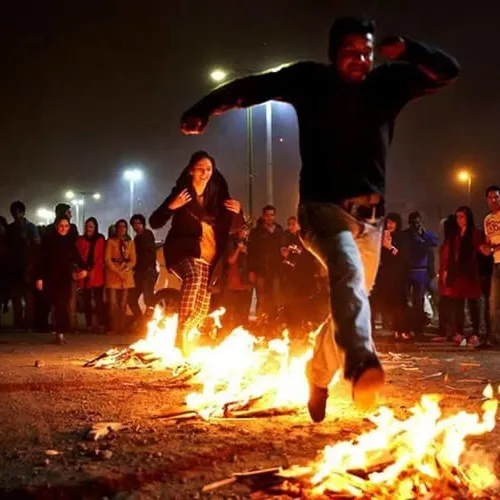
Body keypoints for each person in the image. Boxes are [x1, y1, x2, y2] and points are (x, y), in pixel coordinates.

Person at [180, 16, 459, 419]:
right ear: (332, 54)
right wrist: (204, 108)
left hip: (371, 221)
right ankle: (361, 361)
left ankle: (318, 372)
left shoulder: (388, 84)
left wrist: (412, 51)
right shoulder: (310, 80)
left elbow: (449, 71)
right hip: (321, 211)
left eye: (366, 51)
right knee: (346, 273)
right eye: (350, 52)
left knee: (353, 300)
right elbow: (253, 87)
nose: (360, 60)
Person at [149, 151, 243, 355]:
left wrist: (239, 211)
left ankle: (186, 336)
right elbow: (155, 221)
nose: (205, 173)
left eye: (209, 169)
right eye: (200, 168)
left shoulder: (218, 198)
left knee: (201, 307)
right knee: (192, 277)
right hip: (183, 252)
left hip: (209, 259)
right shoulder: (182, 193)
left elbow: (235, 227)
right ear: (191, 170)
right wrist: (172, 206)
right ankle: (180, 334)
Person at [36, 217, 87, 336]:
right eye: (61, 226)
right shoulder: (48, 240)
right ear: (56, 226)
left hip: (65, 277)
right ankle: (57, 329)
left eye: (66, 226)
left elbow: (76, 256)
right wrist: (39, 278)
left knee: (62, 304)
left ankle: (61, 331)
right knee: (54, 303)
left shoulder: (69, 241)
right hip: (51, 277)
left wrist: (84, 268)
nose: (64, 229)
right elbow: (41, 260)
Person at [440, 207, 482, 346]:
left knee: (473, 303)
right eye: (458, 217)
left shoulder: (474, 233)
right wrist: (446, 271)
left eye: (462, 217)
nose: (460, 220)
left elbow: (479, 251)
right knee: (457, 304)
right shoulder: (455, 234)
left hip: (470, 272)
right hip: (456, 273)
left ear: (468, 218)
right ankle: (459, 332)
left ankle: (476, 332)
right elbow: (450, 254)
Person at [371, 213, 409, 340]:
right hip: (383, 276)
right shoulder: (381, 237)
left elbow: (403, 256)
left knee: (398, 304)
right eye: (388, 223)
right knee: (376, 303)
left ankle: (401, 330)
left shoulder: (402, 238)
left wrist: (390, 247)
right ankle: (371, 331)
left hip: (398, 276)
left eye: (392, 223)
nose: (390, 225)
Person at [404, 211, 439, 340]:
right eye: (414, 222)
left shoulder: (424, 235)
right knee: (408, 300)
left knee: (419, 301)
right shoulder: (406, 235)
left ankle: (418, 328)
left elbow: (434, 242)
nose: (416, 225)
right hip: (408, 270)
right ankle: (409, 327)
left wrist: (423, 233)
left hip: (421, 271)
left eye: (418, 222)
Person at [5, 201, 40, 330]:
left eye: (18, 212)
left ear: (23, 212)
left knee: (28, 298)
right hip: (15, 269)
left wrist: (31, 266)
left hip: (28, 267)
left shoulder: (30, 228)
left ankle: (28, 324)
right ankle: (19, 323)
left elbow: (36, 247)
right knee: (17, 298)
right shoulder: (11, 229)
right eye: (14, 213)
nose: (16, 215)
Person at [105, 219, 136, 333]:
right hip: (113, 275)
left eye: (124, 227)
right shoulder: (110, 242)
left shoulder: (130, 242)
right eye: (120, 227)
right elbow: (107, 259)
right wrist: (117, 271)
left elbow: (133, 260)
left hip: (126, 275)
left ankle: (121, 328)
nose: (122, 229)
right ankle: (114, 327)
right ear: (116, 229)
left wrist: (126, 268)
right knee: (113, 303)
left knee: (123, 303)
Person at [76, 217, 106, 332]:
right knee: (87, 301)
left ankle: (101, 324)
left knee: (99, 301)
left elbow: (99, 258)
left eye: (91, 227)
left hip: (96, 274)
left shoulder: (99, 239)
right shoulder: (80, 240)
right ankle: (89, 324)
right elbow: (78, 256)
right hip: (84, 274)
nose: (88, 229)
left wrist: (90, 271)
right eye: (87, 226)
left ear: (95, 228)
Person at [128, 214, 157, 325]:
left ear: (143, 224)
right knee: (132, 298)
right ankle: (142, 322)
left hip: (148, 271)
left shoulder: (147, 235)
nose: (136, 226)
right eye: (134, 224)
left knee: (148, 299)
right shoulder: (137, 238)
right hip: (140, 272)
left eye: (139, 223)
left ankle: (149, 323)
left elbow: (145, 254)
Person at [480, 185, 500, 348]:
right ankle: (493, 338)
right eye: (491, 197)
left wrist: (493, 248)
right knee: (493, 303)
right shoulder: (487, 219)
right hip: (496, 263)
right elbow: (488, 240)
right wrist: (485, 248)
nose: (493, 200)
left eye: (496, 197)